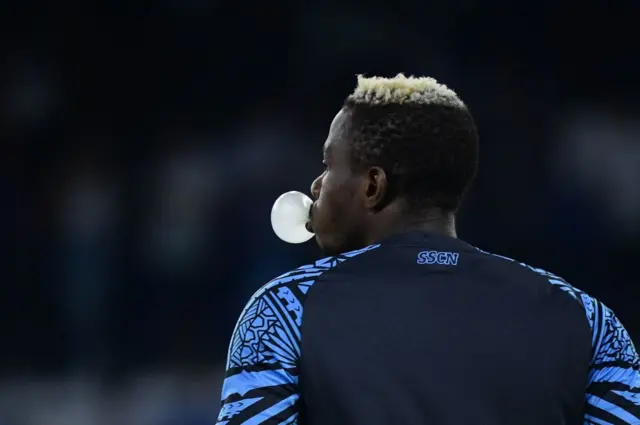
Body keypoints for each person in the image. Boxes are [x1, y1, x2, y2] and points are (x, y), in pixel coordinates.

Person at [215, 74, 640, 425]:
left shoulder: (284, 311)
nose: (316, 186)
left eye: (328, 165)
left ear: (372, 186)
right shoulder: (584, 318)